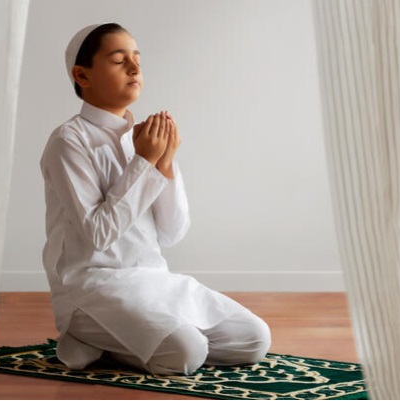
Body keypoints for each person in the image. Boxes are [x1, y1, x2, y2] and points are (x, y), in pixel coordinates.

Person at [39, 22, 271, 376]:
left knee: (254, 338)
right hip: (91, 291)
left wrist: (164, 164)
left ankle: (135, 342)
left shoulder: (144, 138)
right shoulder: (68, 141)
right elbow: (97, 234)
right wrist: (144, 162)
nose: (134, 69)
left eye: (137, 59)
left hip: (152, 281)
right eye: (119, 60)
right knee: (187, 353)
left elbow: (172, 233)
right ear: (82, 76)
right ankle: (94, 341)